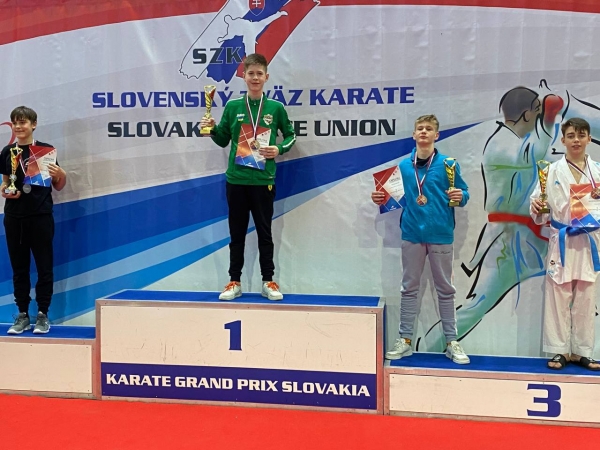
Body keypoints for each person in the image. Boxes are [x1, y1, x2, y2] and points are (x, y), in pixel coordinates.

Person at [371, 114, 470, 364]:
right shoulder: (404, 167)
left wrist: (461, 196)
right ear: (414, 135)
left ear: (437, 135)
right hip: (412, 234)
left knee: (445, 289)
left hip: (441, 234)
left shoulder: (448, 164)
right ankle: (405, 340)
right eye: (420, 128)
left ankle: (452, 341)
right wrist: (379, 198)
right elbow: (391, 197)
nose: (424, 132)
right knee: (409, 288)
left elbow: (464, 192)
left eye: (428, 129)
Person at [200, 53, 296, 301]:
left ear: (266, 77)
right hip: (236, 180)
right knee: (237, 234)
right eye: (250, 73)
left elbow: (291, 135)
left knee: (265, 233)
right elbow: (223, 139)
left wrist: (279, 149)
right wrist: (211, 129)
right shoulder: (233, 107)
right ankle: (234, 281)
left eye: (259, 74)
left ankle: (268, 281)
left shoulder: (275, 108)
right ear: (243, 76)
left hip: (263, 180)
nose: (255, 78)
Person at [530, 117, 600, 371]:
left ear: (589, 139)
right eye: (571, 136)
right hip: (562, 238)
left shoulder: (598, 171)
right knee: (558, 296)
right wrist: (537, 206)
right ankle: (559, 350)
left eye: (581, 135)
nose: (576, 140)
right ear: (563, 140)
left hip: (590, 241)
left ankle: (583, 351)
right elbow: (538, 207)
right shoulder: (549, 171)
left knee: (586, 298)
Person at [0, 106, 67, 334]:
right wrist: (5, 190)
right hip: (14, 218)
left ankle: (42, 314)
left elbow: (58, 185)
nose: (19, 127)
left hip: (40, 217)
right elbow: (5, 182)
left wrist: (62, 175)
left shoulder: (44, 151)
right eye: (15, 123)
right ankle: (22, 314)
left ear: (33, 124)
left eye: (23, 122)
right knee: (19, 269)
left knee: (44, 268)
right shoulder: (8, 151)